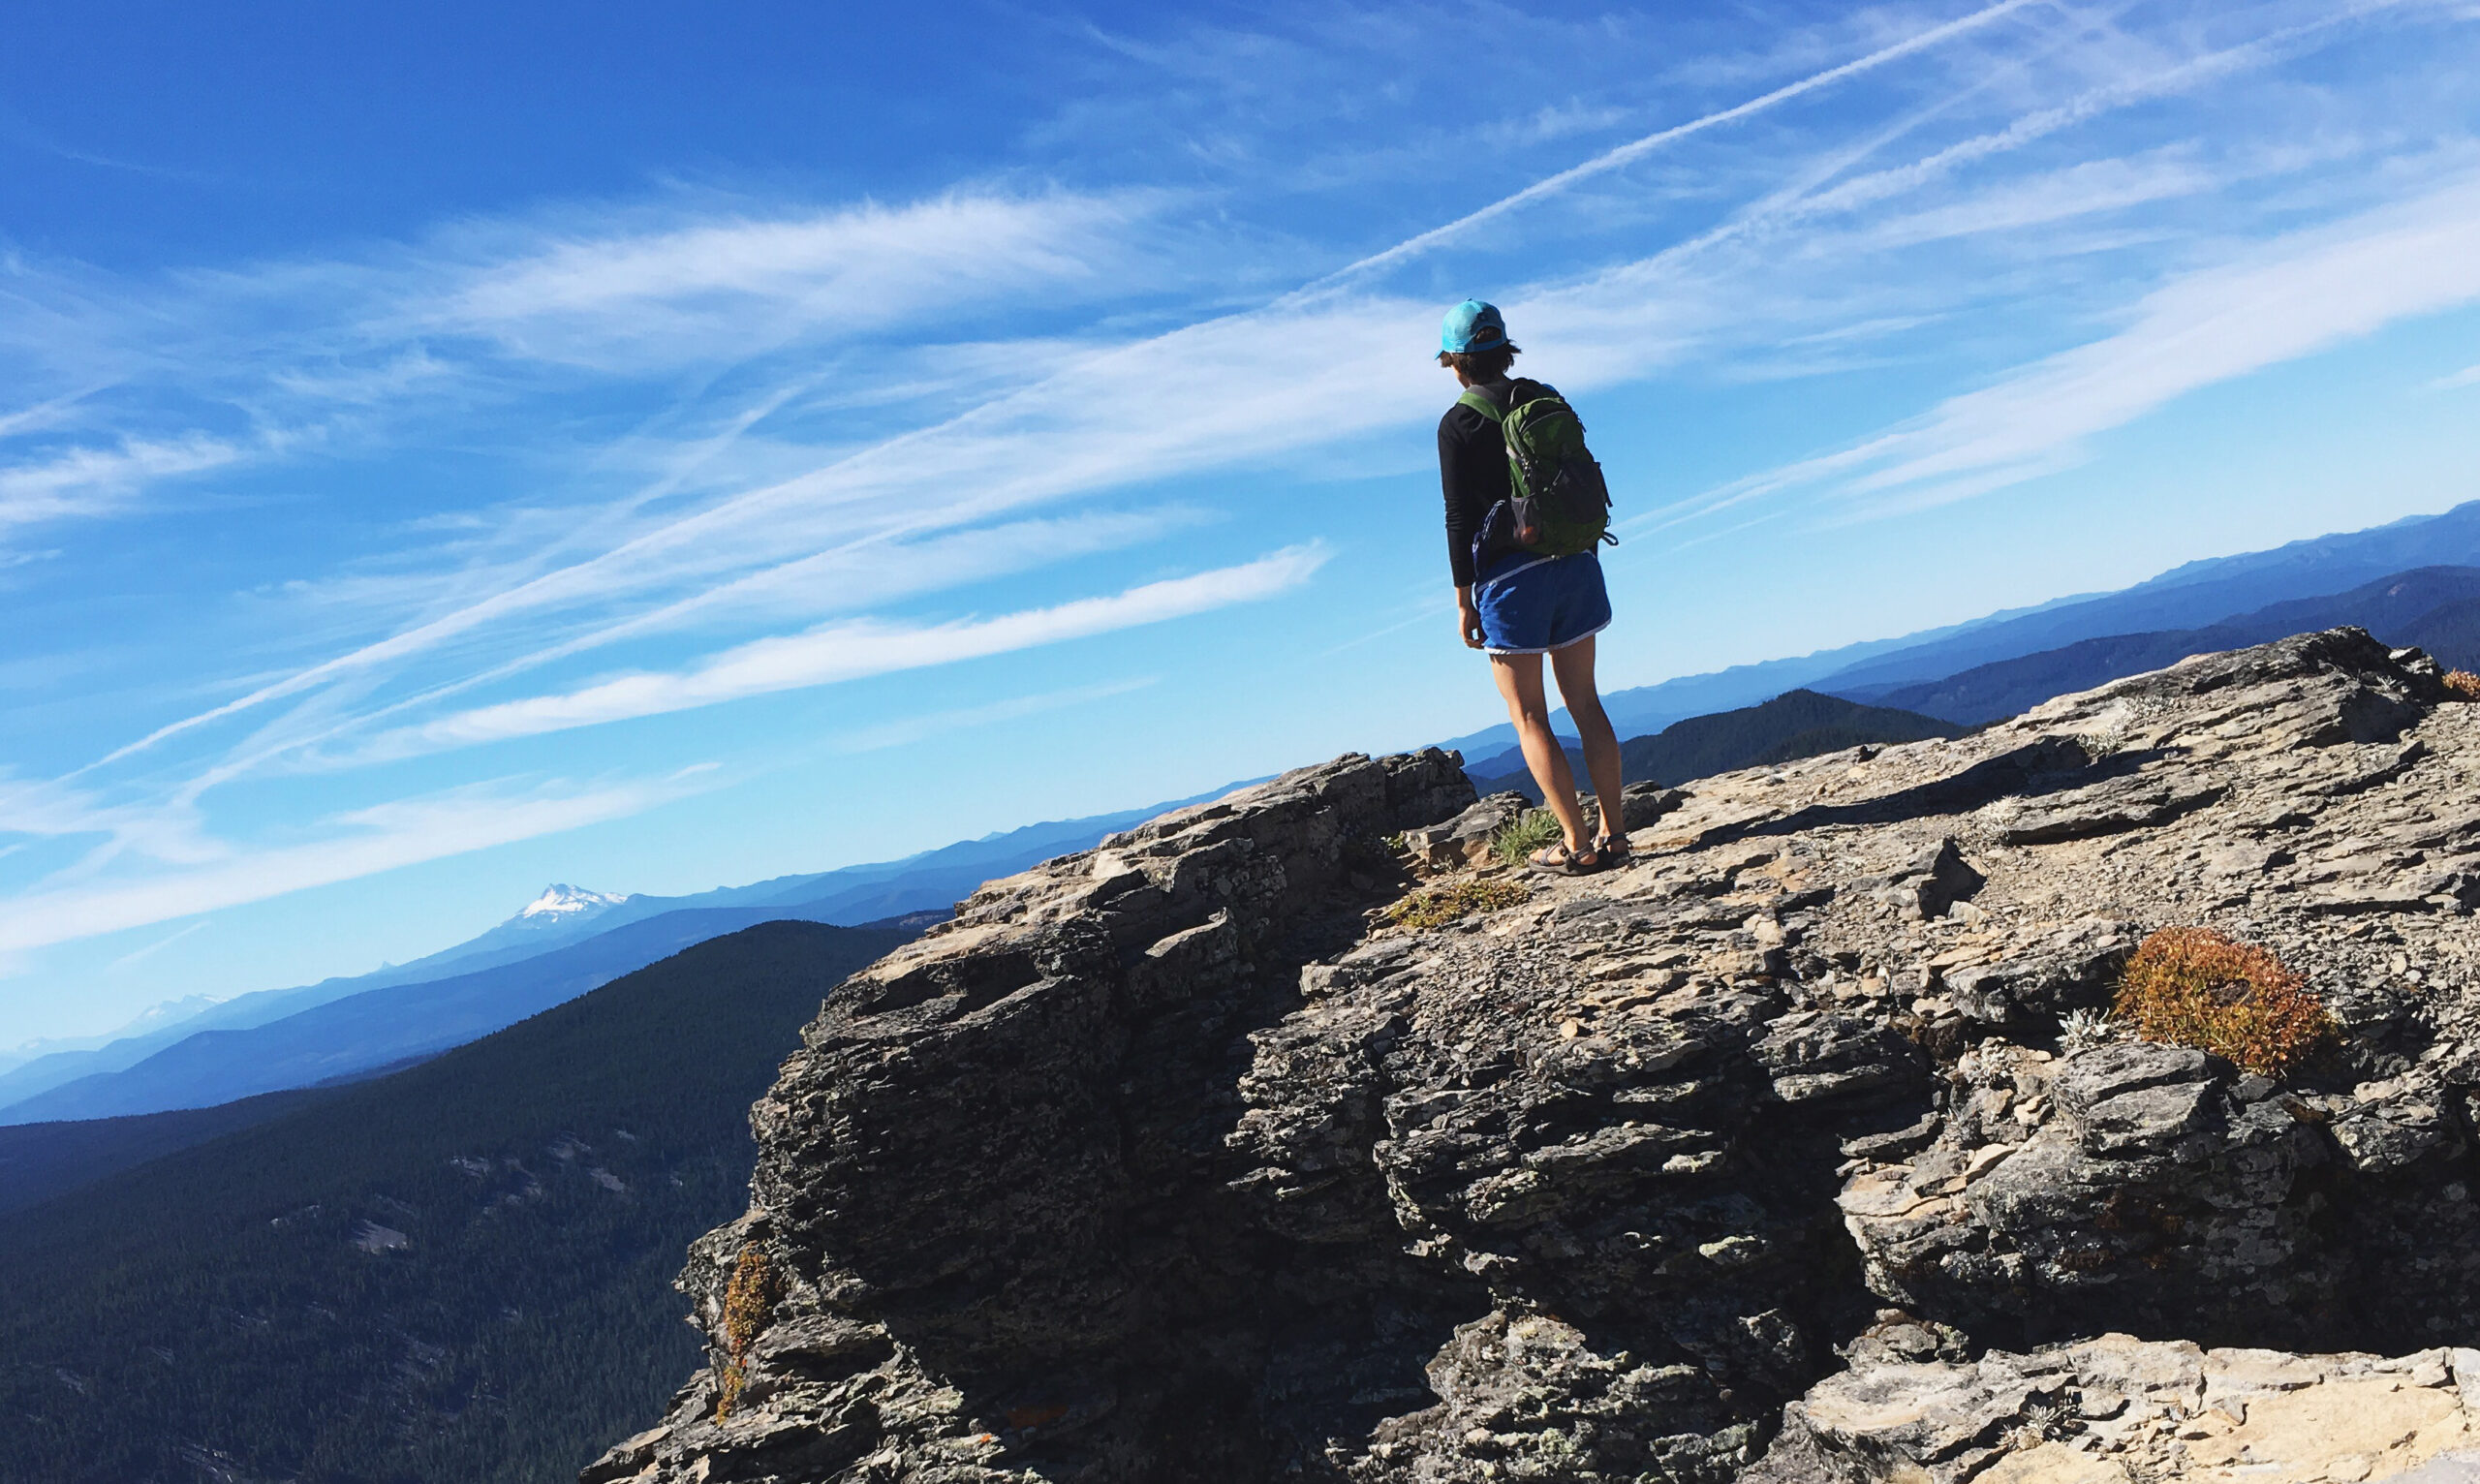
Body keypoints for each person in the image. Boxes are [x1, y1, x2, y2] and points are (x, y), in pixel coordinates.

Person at [1435, 298, 1628, 875]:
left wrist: (1464, 599)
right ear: (1504, 349)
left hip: (1510, 580)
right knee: (1586, 703)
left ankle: (1576, 846)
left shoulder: (1458, 423)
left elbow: (1458, 517)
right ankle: (1615, 835)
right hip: (1574, 561)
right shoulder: (1539, 396)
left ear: (1455, 362)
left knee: (1531, 719)